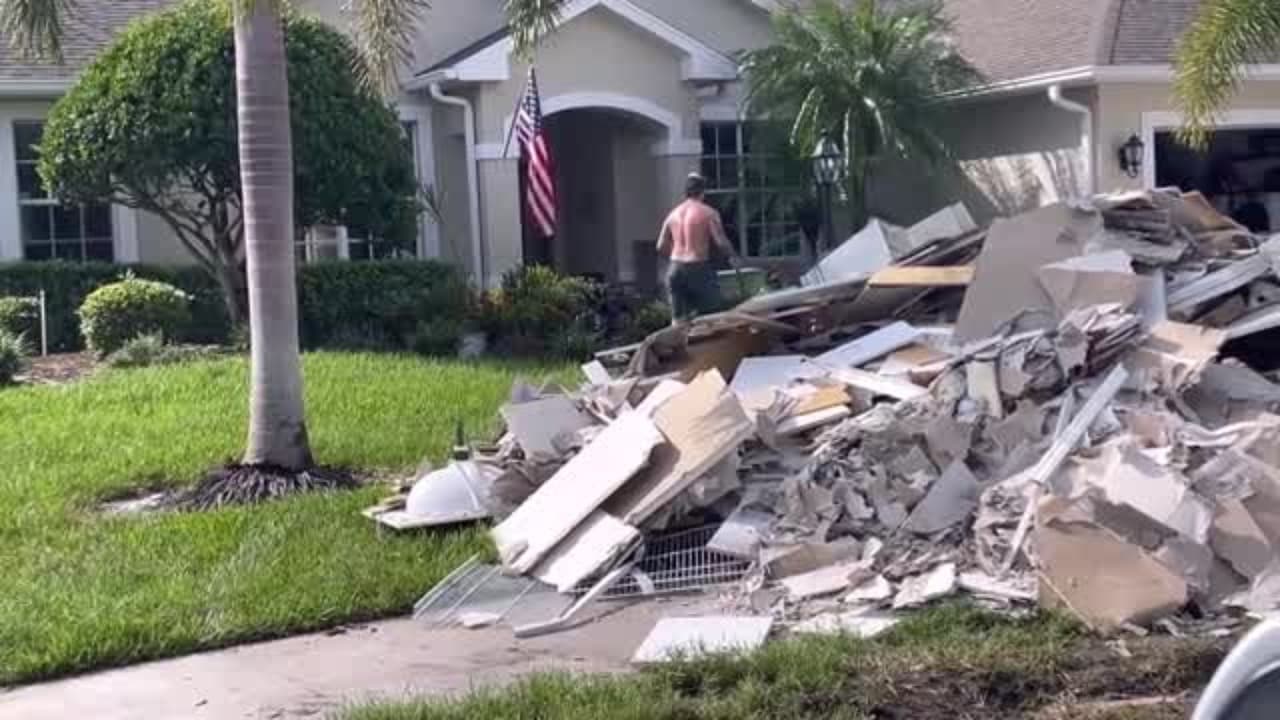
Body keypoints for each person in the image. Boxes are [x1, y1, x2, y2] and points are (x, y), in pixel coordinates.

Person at [657, 173, 741, 323]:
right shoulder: (708, 213)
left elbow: (660, 246)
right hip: (698, 267)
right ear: (703, 192)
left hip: (675, 269)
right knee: (713, 316)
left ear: (686, 192)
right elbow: (721, 242)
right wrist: (733, 256)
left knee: (678, 320)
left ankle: (681, 345)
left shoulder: (673, 214)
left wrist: (677, 258)